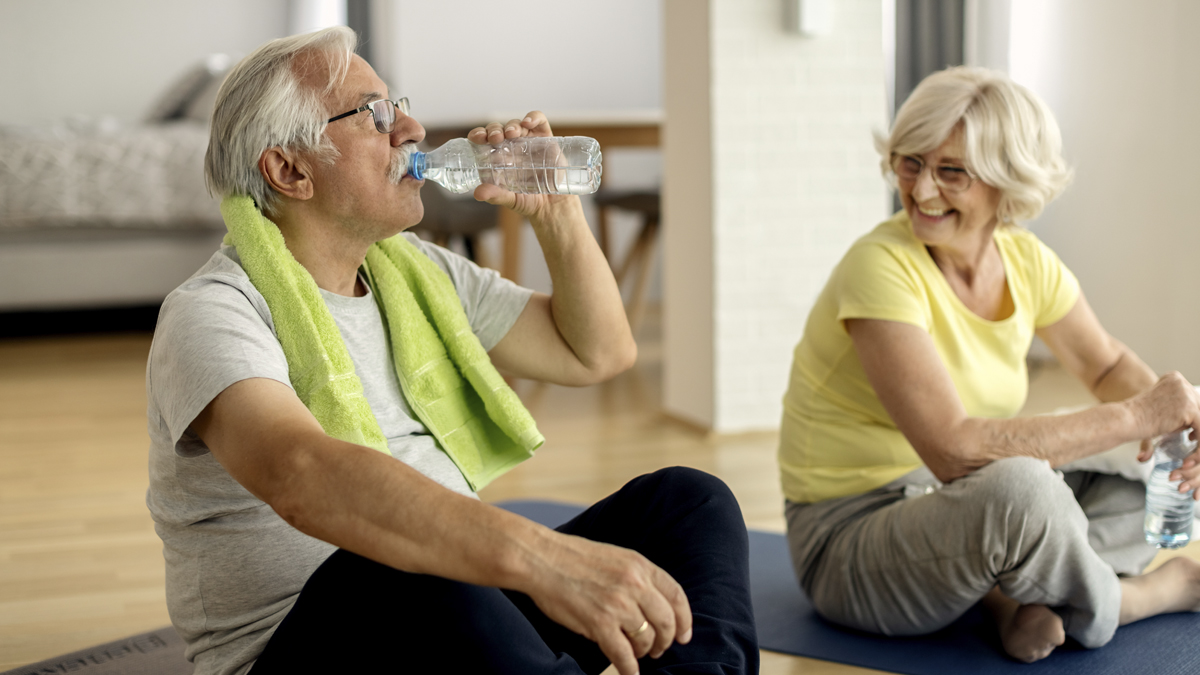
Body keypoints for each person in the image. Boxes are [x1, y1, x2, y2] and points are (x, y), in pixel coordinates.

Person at [145, 27, 757, 675]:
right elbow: (301, 472)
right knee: (406, 561)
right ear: (290, 170)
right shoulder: (212, 312)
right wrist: (543, 558)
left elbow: (596, 353)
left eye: (399, 103)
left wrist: (555, 213)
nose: (412, 126)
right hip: (309, 645)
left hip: (455, 606)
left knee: (690, 501)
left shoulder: (419, 275)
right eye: (376, 113)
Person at [777, 65, 1200, 663]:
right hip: (849, 540)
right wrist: (1140, 413)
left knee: (1168, 458)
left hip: (960, 507)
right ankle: (1132, 600)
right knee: (1023, 486)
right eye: (910, 163)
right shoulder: (878, 267)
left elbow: (1105, 366)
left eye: (951, 172)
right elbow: (951, 451)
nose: (922, 191)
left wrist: (1182, 427)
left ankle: (1015, 595)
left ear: (1008, 181)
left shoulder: (1026, 261)